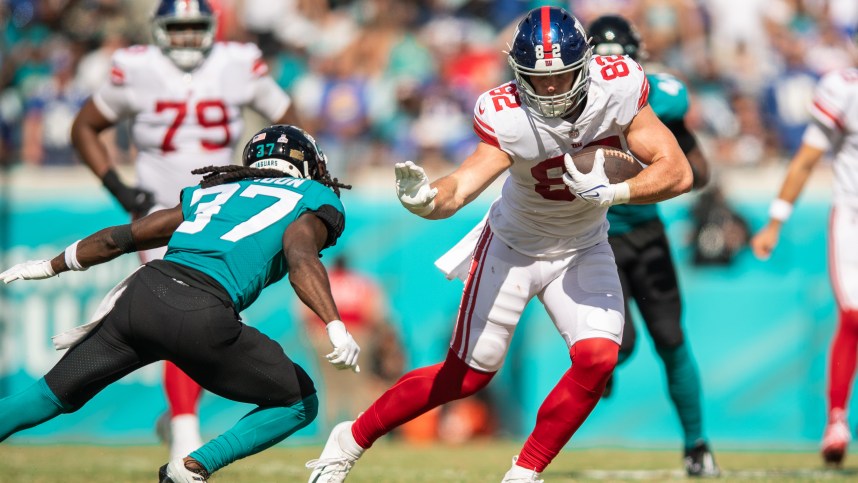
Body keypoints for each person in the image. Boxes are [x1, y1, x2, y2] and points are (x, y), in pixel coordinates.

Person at [306, 6, 693, 482]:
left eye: (560, 77)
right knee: (467, 376)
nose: (548, 89)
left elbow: (678, 170)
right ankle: (351, 437)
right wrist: (429, 200)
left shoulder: (619, 87)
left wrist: (616, 192)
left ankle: (525, 472)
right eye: (537, 78)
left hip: (583, 244)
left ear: (586, 65)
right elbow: (464, 184)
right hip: (514, 247)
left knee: (598, 358)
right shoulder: (505, 111)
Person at [0, 125, 358, 483]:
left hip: (142, 297)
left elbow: (122, 237)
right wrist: (334, 324)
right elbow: (301, 258)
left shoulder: (217, 189)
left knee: (46, 395)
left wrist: (50, 265)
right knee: (299, 400)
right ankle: (191, 468)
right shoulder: (311, 195)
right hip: (203, 314)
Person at [69, 0, 301, 459]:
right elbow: (84, 127)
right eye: (179, 29)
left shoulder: (236, 62)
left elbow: (289, 120)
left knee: (203, 318)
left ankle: (180, 417)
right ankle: (185, 427)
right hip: (161, 211)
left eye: (197, 28)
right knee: (187, 311)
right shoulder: (136, 67)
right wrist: (119, 187)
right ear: (158, 31)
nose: (189, 39)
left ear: (211, 28)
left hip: (224, 208)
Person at [588, 14, 719, 477]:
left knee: (670, 338)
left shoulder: (662, 98)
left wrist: (679, 169)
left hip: (645, 232)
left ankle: (696, 444)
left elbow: (696, 167)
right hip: (593, 237)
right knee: (614, 347)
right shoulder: (566, 100)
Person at [750, 48, 858, 466]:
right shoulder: (844, 89)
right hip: (852, 217)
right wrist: (775, 221)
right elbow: (806, 160)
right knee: (852, 316)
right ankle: (836, 419)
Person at [296, 254, 404, 432]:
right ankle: (359, 434)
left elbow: (304, 313)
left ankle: (328, 433)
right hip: (357, 335)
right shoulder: (362, 283)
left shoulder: (320, 282)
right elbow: (376, 314)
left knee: (329, 388)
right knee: (358, 388)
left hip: (324, 336)